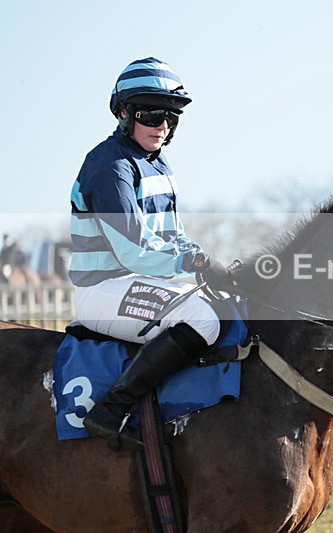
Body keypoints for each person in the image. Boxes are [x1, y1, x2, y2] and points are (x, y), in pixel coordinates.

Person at [69, 57, 234, 448]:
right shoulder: (109, 166)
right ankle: (111, 409)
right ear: (124, 113)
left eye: (171, 117)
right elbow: (134, 252)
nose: (163, 126)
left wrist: (207, 264)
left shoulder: (157, 164)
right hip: (104, 289)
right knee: (203, 320)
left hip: (139, 282)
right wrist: (195, 263)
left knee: (230, 307)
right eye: (151, 115)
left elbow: (174, 236)